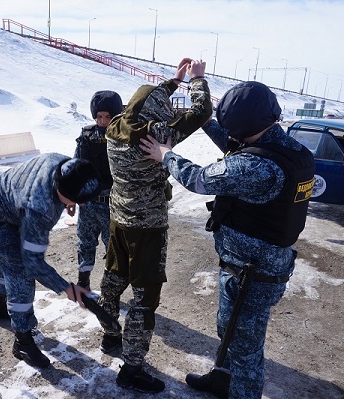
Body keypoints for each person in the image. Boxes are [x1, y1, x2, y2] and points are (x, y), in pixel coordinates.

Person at [139, 81, 315, 398]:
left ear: (247, 127)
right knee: (229, 330)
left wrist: (165, 155)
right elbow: (238, 148)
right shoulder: (288, 150)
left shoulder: (258, 168)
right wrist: (206, 121)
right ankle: (224, 378)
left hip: (253, 277)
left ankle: (240, 388)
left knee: (246, 352)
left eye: (234, 130)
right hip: (250, 269)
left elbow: (199, 178)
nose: (230, 136)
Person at [95, 58, 213, 394]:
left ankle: (109, 335)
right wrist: (196, 80)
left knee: (113, 280)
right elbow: (202, 113)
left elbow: (145, 99)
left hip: (118, 220)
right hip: (147, 229)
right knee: (145, 299)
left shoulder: (114, 127)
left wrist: (172, 82)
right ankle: (132, 368)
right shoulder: (156, 135)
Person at [0, 153, 102, 368]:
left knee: (8, 257)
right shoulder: (40, 208)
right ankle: (22, 340)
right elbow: (32, 262)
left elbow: (64, 189)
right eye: (79, 201)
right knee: (19, 271)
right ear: (63, 192)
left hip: (6, 200)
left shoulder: (65, 166)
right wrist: (67, 288)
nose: (84, 205)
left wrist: (70, 201)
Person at [73, 90, 124, 290]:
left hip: (112, 205)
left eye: (108, 117)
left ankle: (109, 288)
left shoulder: (123, 137)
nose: (103, 121)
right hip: (88, 204)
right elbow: (76, 166)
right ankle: (83, 282)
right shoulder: (86, 136)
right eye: (99, 117)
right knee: (85, 243)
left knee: (113, 248)